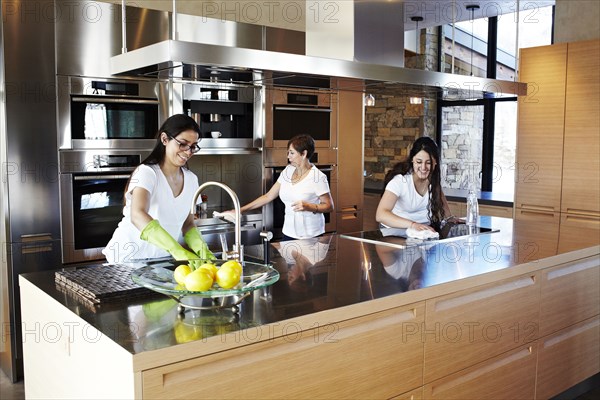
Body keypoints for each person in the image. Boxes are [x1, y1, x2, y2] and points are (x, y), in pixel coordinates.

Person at [102, 114, 215, 264]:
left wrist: (202, 250)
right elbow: (137, 214)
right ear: (164, 139)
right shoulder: (147, 172)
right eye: (182, 144)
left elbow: (188, 223)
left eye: (193, 146)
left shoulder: (192, 179)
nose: (188, 152)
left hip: (161, 260)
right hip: (128, 258)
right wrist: (176, 249)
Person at [223, 134, 334, 240]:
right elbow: (268, 196)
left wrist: (309, 206)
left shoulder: (317, 177)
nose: (288, 156)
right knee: (288, 260)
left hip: (310, 235)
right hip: (288, 233)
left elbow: (329, 206)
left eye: (291, 153)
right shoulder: (287, 171)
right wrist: (239, 210)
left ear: (304, 154)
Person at [376, 136, 453, 232]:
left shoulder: (432, 180)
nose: (423, 167)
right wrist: (413, 225)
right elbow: (380, 215)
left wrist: (450, 218)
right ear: (412, 160)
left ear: (435, 163)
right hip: (394, 231)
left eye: (428, 163)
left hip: (422, 232)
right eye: (419, 162)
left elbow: (441, 202)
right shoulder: (400, 181)